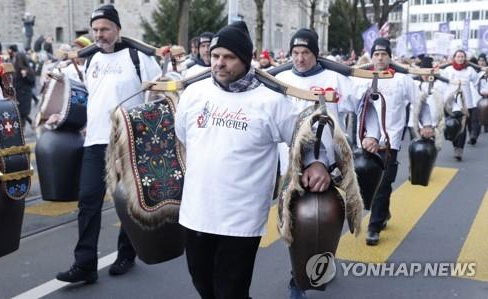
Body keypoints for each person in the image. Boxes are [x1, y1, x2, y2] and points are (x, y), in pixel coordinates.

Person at [175, 21, 330, 299]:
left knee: (231, 291)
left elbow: (302, 141)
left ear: (246, 59)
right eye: (215, 56)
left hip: (241, 217)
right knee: (203, 284)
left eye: (229, 57)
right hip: (196, 211)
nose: (219, 63)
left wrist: (316, 163)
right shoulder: (194, 94)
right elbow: (183, 137)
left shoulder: (271, 101)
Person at [56, 4, 162, 284]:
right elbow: (87, 97)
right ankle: (85, 263)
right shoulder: (90, 60)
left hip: (130, 142)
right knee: (88, 200)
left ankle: (126, 254)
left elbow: (157, 98)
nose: (99, 34)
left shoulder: (139, 57)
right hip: (95, 141)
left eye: (104, 29)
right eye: (95, 30)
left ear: (117, 29)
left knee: (128, 202)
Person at [276, 28, 376, 299]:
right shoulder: (279, 80)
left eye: (305, 53)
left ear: (315, 53)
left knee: (324, 216)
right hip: (290, 165)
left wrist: (373, 134)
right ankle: (298, 276)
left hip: (326, 164)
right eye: (295, 53)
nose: (299, 59)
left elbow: (364, 104)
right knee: (294, 220)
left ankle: (317, 266)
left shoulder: (335, 78)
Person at [352, 38, 432, 246]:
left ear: (389, 56)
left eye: (383, 54)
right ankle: (383, 212)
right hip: (366, 141)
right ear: (372, 56)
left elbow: (420, 102)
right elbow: (351, 106)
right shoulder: (361, 78)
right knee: (369, 182)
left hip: (390, 141)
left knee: (384, 182)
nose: (380, 58)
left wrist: (426, 124)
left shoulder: (402, 79)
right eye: (376, 54)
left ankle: (374, 226)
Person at [441, 49, 479, 159]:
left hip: (466, 104)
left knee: (462, 127)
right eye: (458, 56)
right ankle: (455, 146)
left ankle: (459, 149)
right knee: (452, 126)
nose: (460, 58)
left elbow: (476, 81)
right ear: (454, 58)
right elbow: (441, 82)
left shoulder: (470, 70)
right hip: (450, 104)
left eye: (462, 56)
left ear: (465, 58)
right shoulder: (448, 70)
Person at [7, 44, 36, 129]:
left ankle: (21, 137)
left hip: (24, 95)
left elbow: (32, 82)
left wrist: (26, 75)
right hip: (17, 95)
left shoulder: (27, 70)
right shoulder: (15, 70)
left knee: (22, 115)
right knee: (18, 115)